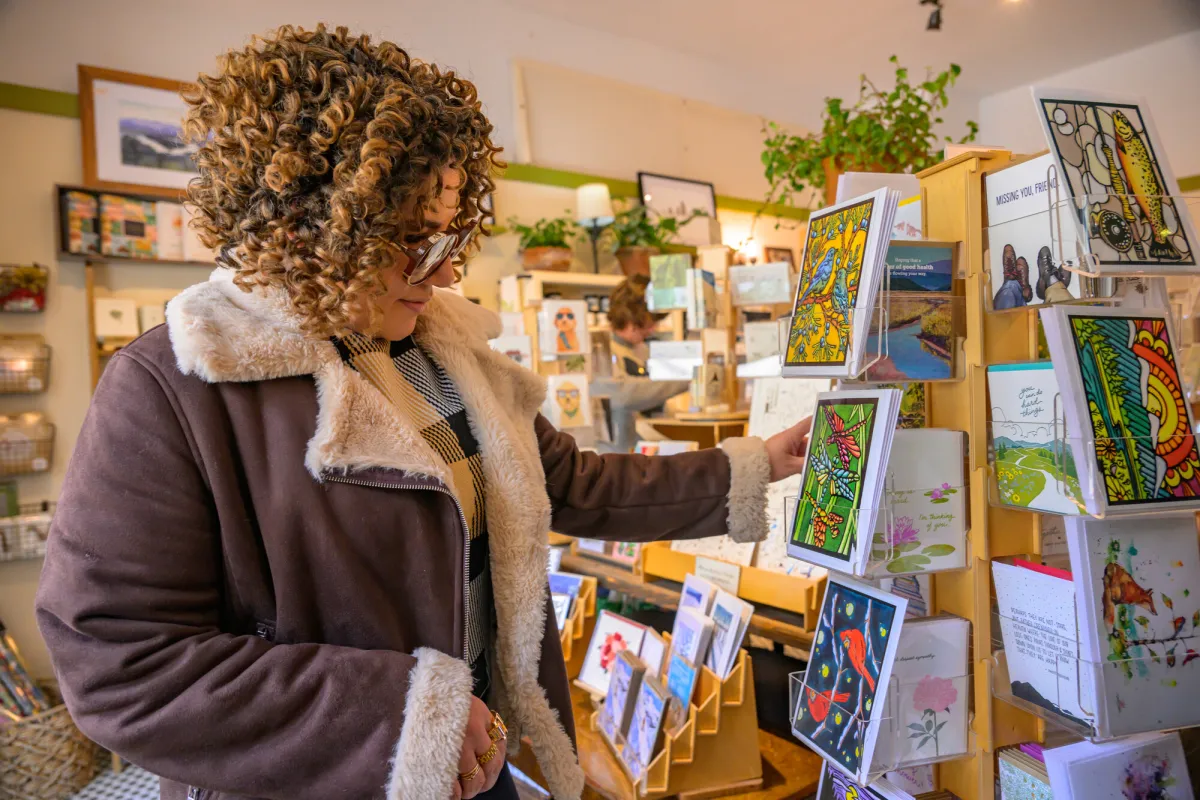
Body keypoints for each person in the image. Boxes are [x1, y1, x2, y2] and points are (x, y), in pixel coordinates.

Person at [34, 25, 812, 800]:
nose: (447, 271)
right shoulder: (174, 386)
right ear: (311, 227)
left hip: (481, 771)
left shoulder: (446, 352)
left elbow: (570, 482)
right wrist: (399, 714)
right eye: (410, 241)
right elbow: (119, 664)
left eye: (450, 236)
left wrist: (756, 465)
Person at [607, 274, 664, 377]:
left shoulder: (642, 349)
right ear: (629, 318)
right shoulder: (606, 356)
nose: (652, 330)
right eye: (649, 324)